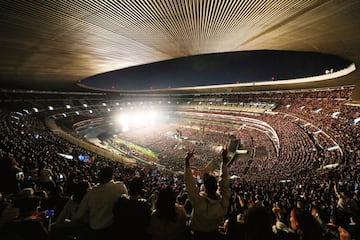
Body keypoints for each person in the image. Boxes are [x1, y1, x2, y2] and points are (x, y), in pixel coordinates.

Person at [184, 145, 231, 240]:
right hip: (214, 234)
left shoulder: (199, 203)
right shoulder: (222, 203)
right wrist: (224, 161)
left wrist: (187, 162)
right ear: (216, 187)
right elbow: (224, 185)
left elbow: (190, 186)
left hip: (198, 235)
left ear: (204, 187)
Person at [72, 166, 128, 240]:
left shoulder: (90, 193)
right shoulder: (120, 187)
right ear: (112, 176)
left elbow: (78, 216)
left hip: (94, 232)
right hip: (113, 231)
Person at [112, 175, 151, 240]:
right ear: (141, 189)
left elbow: (115, 213)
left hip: (119, 234)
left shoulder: (122, 199)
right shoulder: (144, 205)